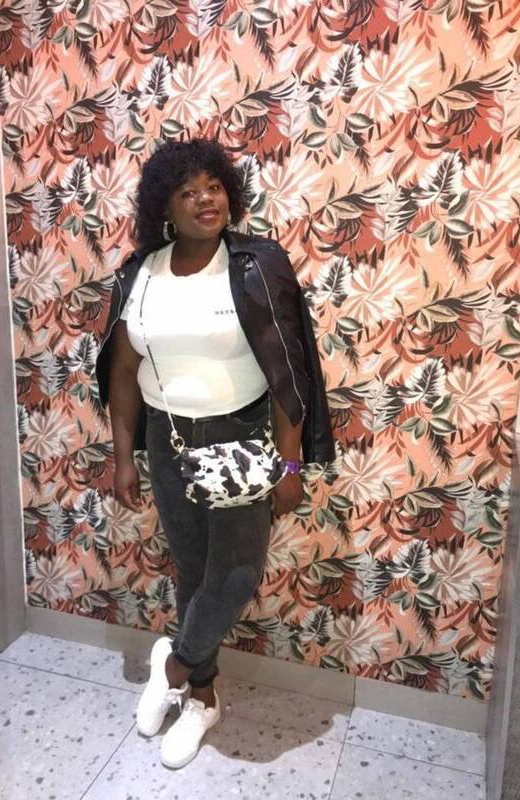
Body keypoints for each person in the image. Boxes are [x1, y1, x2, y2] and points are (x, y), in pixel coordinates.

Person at [93, 138, 335, 769]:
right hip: (167, 438)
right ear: (165, 208)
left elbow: (288, 373)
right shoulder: (140, 274)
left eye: (214, 186)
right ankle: (201, 698)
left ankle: (173, 666)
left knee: (236, 575)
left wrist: (289, 465)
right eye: (188, 191)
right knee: (194, 570)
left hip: (242, 438)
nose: (206, 199)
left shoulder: (256, 264)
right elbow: (123, 372)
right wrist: (124, 457)